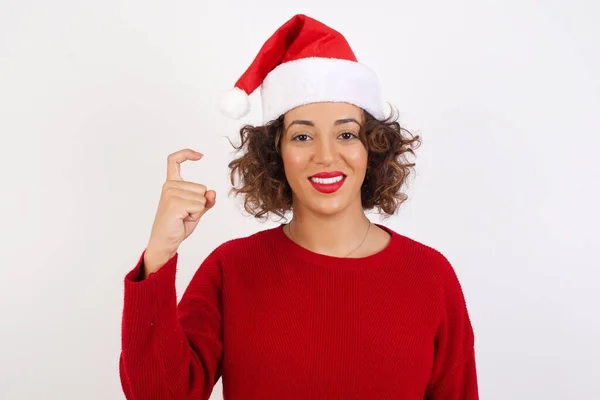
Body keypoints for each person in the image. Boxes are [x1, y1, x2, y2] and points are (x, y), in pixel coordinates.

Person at [119, 14, 478, 400]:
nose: (326, 155)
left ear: (372, 147)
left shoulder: (429, 275)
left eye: (346, 134)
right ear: (276, 152)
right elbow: (159, 394)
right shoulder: (232, 269)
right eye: (303, 135)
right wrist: (159, 252)